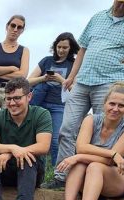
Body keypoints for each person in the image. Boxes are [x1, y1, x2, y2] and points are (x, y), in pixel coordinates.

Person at [42, 0, 124, 190]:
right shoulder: (98, 17)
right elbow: (83, 48)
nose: (123, 6)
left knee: (106, 135)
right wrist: (72, 76)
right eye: (121, 1)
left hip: (111, 82)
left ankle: (99, 177)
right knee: (67, 129)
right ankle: (62, 177)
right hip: (83, 80)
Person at [57, 82, 124, 200]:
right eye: (112, 103)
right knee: (81, 163)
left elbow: (109, 162)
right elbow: (81, 147)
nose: (115, 109)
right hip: (91, 174)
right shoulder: (91, 119)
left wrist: (79, 156)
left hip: (121, 175)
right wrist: (113, 153)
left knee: (90, 164)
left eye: (121, 106)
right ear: (104, 103)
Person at [28, 32, 80, 166]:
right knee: (34, 137)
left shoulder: (74, 64)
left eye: (65, 48)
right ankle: (37, 168)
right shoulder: (46, 60)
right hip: (39, 102)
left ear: (71, 49)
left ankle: (57, 171)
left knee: (56, 139)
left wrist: (61, 79)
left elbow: (76, 90)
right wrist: (43, 78)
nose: (61, 50)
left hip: (59, 105)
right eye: (59, 47)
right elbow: (28, 82)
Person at [0, 15, 30, 115]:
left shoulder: (24, 50)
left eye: (19, 27)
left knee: (11, 124)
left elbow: (22, 75)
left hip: (13, 92)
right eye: (13, 25)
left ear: (22, 30)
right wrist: (11, 68)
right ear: (7, 26)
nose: (15, 29)